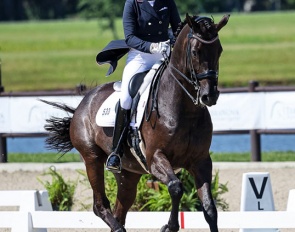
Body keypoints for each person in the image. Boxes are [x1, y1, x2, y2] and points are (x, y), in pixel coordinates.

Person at [106, 0, 181, 173]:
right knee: (125, 98)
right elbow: (130, 38)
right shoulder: (132, 3)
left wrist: (172, 39)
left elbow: (178, 28)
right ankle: (116, 151)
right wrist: (151, 46)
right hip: (140, 57)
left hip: (164, 54)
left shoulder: (167, 1)